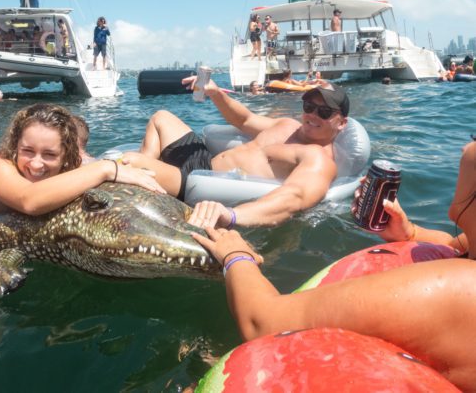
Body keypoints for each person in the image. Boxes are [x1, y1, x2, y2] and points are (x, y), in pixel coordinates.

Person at [191, 141, 476, 391]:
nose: (464, 146)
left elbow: (263, 323)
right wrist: (409, 233)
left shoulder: (457, 292)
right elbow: (456, 245)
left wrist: (237, 256)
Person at [123, 77, 350, 228]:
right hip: (203, 162)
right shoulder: (287, 125)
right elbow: (245, 119)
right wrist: (214, 92)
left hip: (200, 183)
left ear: (342, 123)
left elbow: (294, 197)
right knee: (161, 117)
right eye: (309, 107)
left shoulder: (318, 158)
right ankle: (147, 188)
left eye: (324, 111)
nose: (312, 115)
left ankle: (144, 178)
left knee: (129, 163)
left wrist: (232, 216)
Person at [0, 103, 165, 216]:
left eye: (49, 154)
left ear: (65, 156)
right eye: (27, 151)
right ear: (15, 146)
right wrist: (106, 169)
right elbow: (28, 201)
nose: (36, 163)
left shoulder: (69, 168)